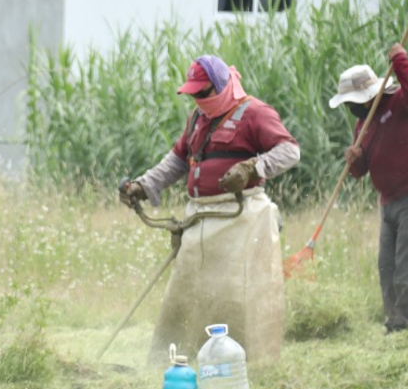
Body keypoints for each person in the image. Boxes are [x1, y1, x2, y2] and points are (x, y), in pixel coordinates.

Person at [120, 55, 299, 364]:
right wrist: (144, 185)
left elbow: (289, 151)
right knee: (186, 293)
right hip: (199, 218)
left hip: (240, 219)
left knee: (232, 297)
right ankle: (175, 359)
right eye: (193, 94)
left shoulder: (254, 112)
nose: (198, 99)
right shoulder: (197, 119)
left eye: (203, 93)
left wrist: (251, 167)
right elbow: (177, 160)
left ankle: (240, 362)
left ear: (220, 86)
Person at [329, 43, 408, 333]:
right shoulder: (362, 124)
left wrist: (401, 60)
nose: (350, 107)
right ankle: (394, 322)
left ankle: (406, 325)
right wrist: (354, 161)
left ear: (365, 96)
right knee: (387, 269)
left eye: (352, 101)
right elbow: (361, 171)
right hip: (389, 202)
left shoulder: (400, 102)